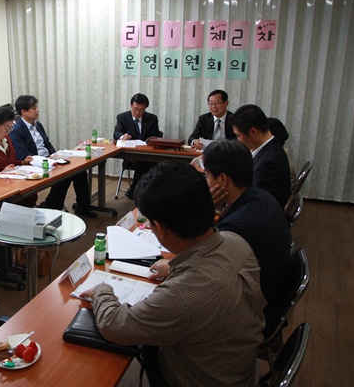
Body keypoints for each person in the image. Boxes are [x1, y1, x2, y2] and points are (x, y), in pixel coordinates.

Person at [80, 161, 265, 387]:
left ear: (159, 227)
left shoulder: (183, 296)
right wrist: (174, 266)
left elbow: (114, 326)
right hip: (239, 369)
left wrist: (102, 290)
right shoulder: (236, 242)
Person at [203, 140, 291, 338]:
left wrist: (204, 210)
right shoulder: (262, 197)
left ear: (222, 179)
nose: (206, 182)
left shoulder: (236, 226)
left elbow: (202, 267)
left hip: (251, 315)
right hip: (269, 296)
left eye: (207, 176)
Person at [10, 95, 97, 218]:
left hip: (49, 160)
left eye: (36, 107)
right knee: (65, 175)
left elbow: (47, 144)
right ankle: (51, 206)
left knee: (79, 171)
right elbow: (23, 155)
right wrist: (47, 160)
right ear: (23, 112)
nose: (37, 110)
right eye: (33, 108)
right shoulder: (17, 130)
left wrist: (56, 155)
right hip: (35, 164)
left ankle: (83, 207)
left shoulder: (38, 125)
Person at [228, 104, 291, 208]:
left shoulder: (267, 164)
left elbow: (258, 206)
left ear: (253, 131)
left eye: (238, 136)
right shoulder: (273, 147)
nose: (238, 140)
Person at [113, 93, 164, 199]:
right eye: (135, 109)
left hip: (147, 155)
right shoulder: (122, 117)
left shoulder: (152, 119)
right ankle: (138, 192)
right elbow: (116, 133)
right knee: (146, 163)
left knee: (145, 162)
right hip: (130, 156)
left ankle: (134, 190)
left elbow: (155, 136)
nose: (137, 112)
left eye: (141, 110)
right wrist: (123, 136)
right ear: (131, 105)